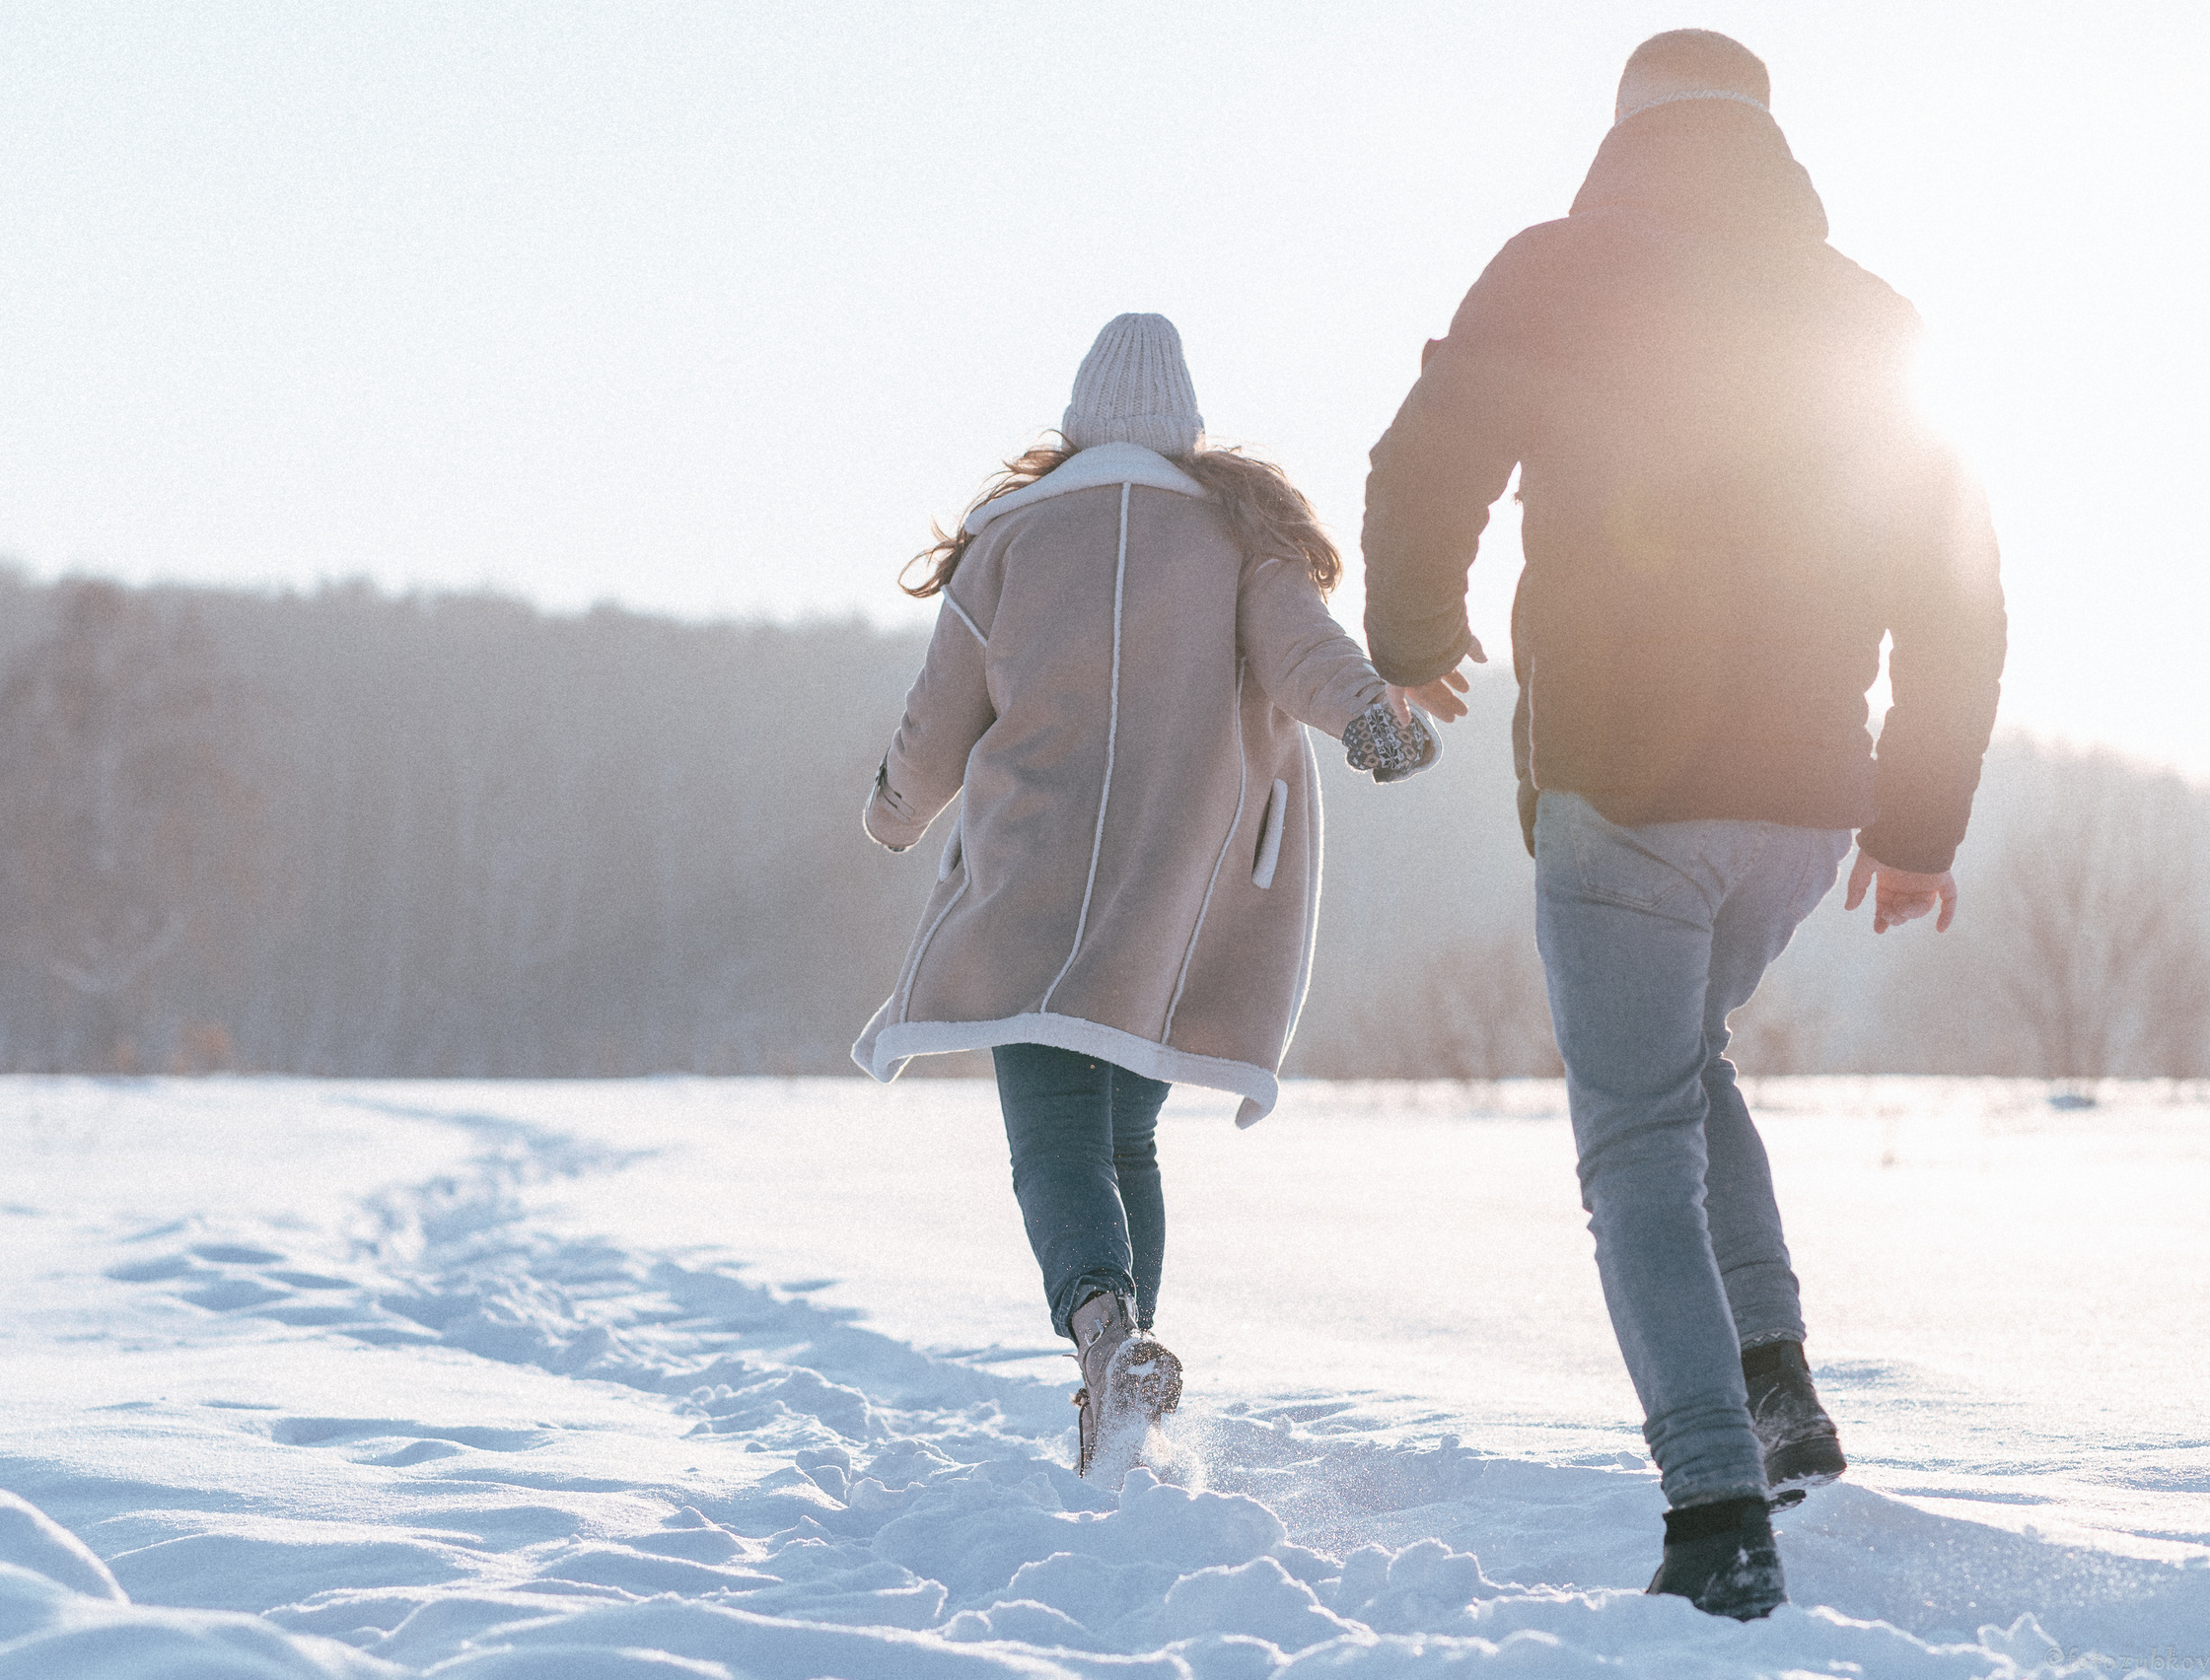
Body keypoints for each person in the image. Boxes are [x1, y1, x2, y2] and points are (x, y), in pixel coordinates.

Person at [1357, 32, 2007, 1619]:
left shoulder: (1560, 270)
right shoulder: (1869, 314)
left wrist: (1410, 633)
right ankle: (1775, 1378)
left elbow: (1424, 456)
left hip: (1623, 785)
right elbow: (1961, 594)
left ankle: (1716, 1505)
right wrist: (1915, 822)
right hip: (1801, 801)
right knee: (1681, 1068)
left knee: (1634, 1131)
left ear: (1624, 132)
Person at [854, 313, 1435, 1483]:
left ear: (1076, 422)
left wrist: (892, 811)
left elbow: (938, 716)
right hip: (1161, 890)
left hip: (1028, 873)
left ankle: (1106, 1341)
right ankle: (1119, 1384)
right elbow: (1300, 645)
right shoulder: (1232, 537)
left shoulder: (1006, 540)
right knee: (1123, 1139)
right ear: (1184, 426)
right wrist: (1368, 713)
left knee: (1052, 1143)